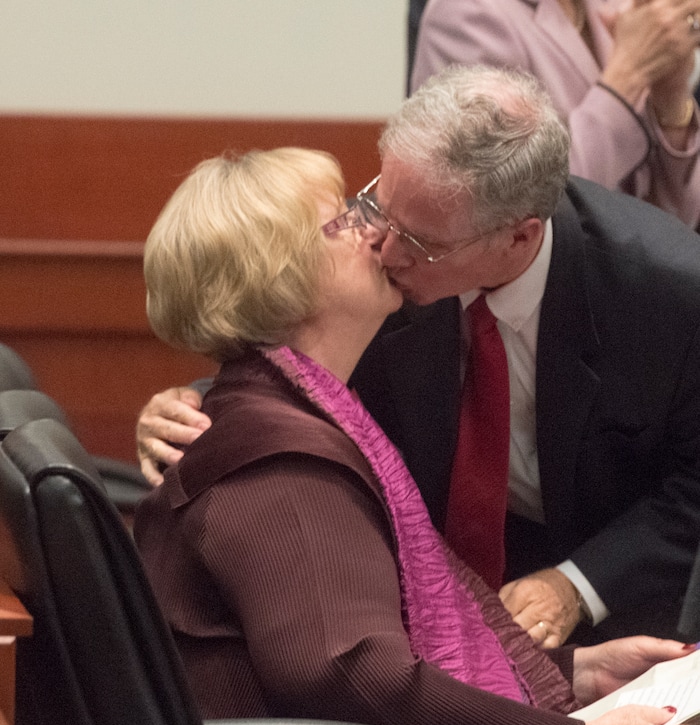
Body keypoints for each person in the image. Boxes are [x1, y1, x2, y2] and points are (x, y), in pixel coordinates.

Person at [134, 143, 699, 725]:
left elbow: (383, 652)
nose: (376, 230)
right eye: (343, 222)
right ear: (282, 276)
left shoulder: (302, 411)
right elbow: (354, 672)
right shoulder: (277, 462)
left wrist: (576, 671)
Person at [136, 65, 700, 657]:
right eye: (377, 206)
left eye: (421, 242)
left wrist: (577, 586)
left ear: (518, 237)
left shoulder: (667, 298)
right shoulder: (395, 250)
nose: (384, 247)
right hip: (423, 603)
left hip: (615, 600)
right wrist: (192, 404)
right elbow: (300, 359)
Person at [411, 0, 700, 229]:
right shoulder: (464, 14)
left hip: (638, 277)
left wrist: (672, 97)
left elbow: (681, 219)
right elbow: (520, 210)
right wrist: (628, 76)